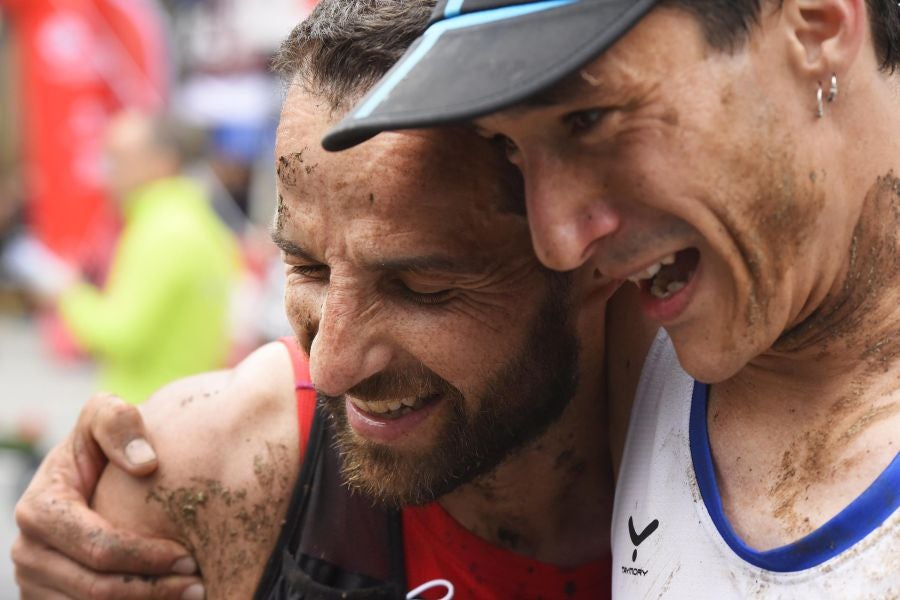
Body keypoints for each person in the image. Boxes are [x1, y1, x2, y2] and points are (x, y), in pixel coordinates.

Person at [13, 3, 617, 598]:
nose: (331, 367)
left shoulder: (708, 433)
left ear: (600, 252)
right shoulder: (214, 473)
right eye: (307, 268)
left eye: (421, 289)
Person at [319, 0, 900, 597]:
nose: (559, 244)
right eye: (511, 147)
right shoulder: (639, 326)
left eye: (588, 120)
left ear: (817, 26)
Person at [56, 110, 241, 404]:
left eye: (118, 157)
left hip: (142, 414)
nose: (107, 170)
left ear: (163, 162)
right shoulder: (197, 219)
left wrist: (68, 294)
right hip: (185, 408)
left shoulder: (162, 231)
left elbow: (121, 334)